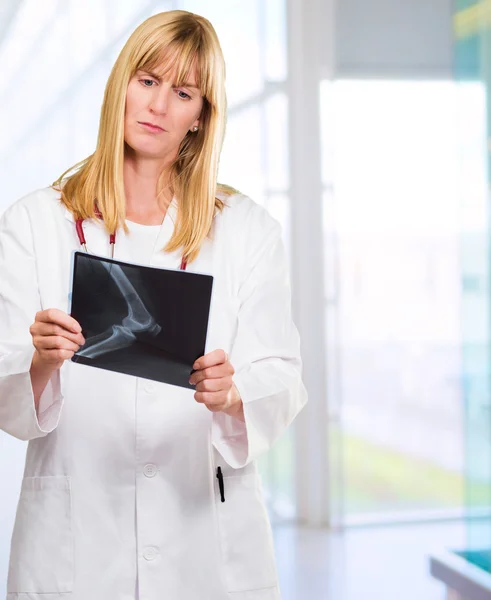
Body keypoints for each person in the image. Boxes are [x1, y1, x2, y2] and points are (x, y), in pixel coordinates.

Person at [0, 10, 307, 600]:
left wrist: (236, 393)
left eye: (183, 92)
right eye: (147, 81)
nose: (159, 106)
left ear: (200, 117)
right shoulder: (36, 223)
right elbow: (6, 394)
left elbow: (284, 377)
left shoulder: (246, 231)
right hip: (76, 542)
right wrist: (39, 362)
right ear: (121, 86)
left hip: (206, 538)